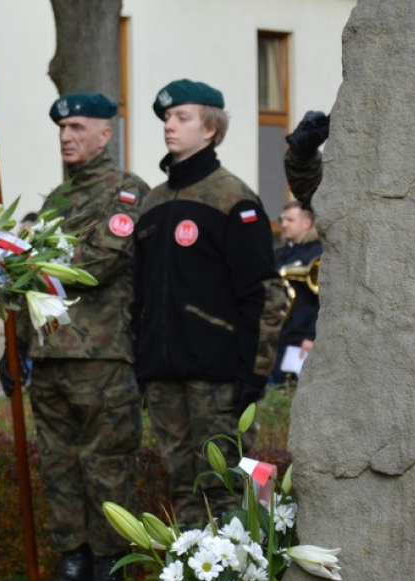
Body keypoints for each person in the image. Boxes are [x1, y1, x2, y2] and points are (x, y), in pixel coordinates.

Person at [132, 80, 284, 526]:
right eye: (166, 118)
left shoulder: (233, 199)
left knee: (226, 487)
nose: (169, 126)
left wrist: (252, 377)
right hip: (162, 377)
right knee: (181, 486)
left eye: (182, 118)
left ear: (211, 129)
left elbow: (263, 295)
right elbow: (138, 296)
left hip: (217, 380)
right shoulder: (154, 204)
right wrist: (141, 363)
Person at [23, 92, 148, 581]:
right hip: (50, 354)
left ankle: (109, 569)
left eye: (77, 127)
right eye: (61, 129)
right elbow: (29, 276)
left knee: (106, 465)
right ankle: (72, 563)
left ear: (105, 133)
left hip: (102, 356)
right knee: (58, 464)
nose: (66, 137)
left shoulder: (127, 192)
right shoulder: (55, 199)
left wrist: (36, 253)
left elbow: (99, 261)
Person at [271, 201, 321, 384]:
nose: (283, 224)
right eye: (283, 220)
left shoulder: (319, 253)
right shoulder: (277, 254)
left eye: (290, 220)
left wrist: (311, 336)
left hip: (301, 340)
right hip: (276, 336)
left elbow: (322, 302)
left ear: (306, 224)